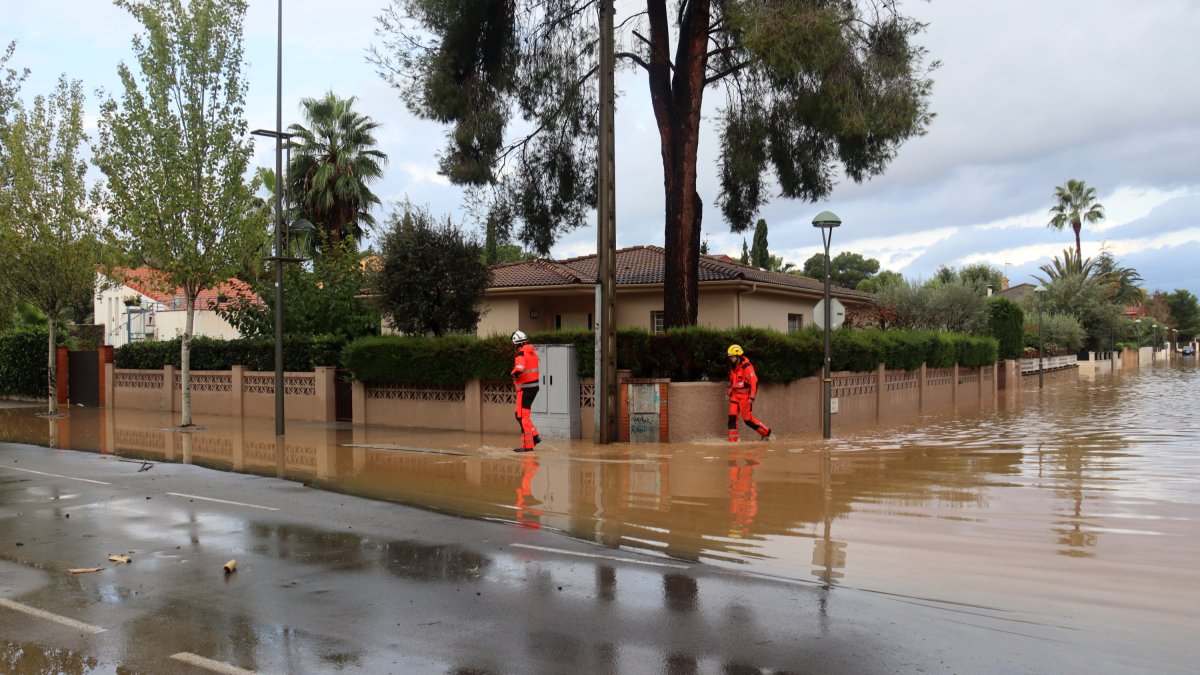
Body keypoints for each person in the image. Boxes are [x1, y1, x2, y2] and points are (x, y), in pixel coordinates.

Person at [726, 344, 771, 442]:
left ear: (738, 356)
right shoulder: (733, 366)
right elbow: (733, 382)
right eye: (730, 357)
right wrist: (729, 393)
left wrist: (752, 397)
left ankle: (766, 432)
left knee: (748, 420)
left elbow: (754, 382)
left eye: (732, 356)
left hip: (745, 397)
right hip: (735, 396)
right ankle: (732, 442)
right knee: (732, 418)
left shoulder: (747, 367)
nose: (730, 358)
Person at [510, 330, 541, 452]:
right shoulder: (532, 353)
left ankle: (528, 446)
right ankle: (535, 436)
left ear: (517, 344)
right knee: (519, 415)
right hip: (532, 388)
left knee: (523, 417)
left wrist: (513, 374)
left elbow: (520, 368)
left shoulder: (521, 354)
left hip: (525, 389)